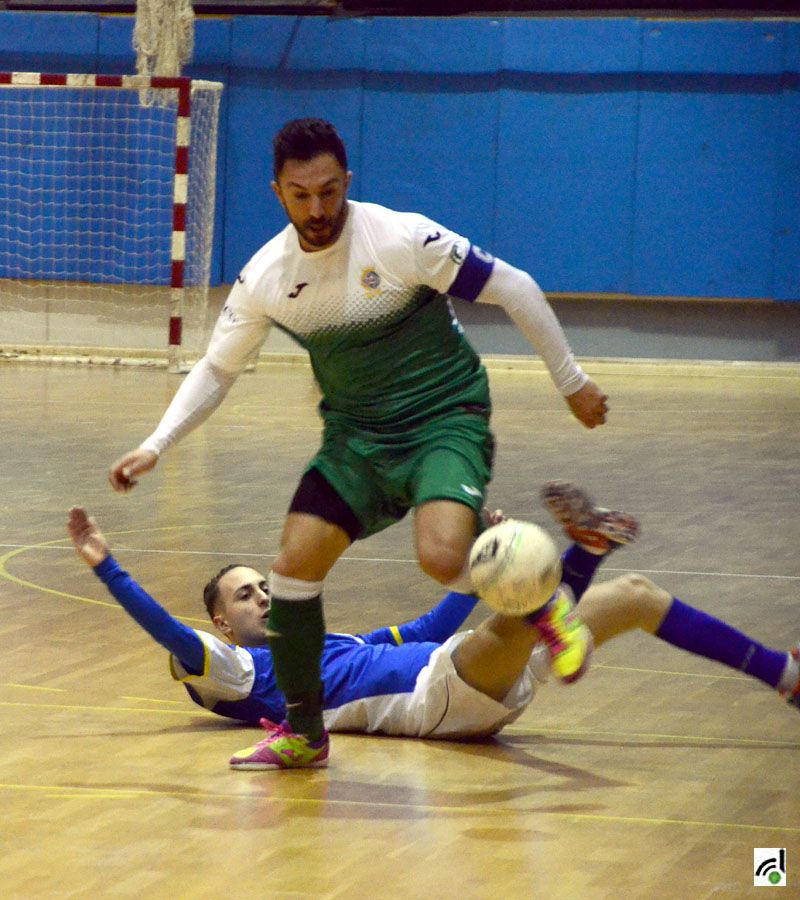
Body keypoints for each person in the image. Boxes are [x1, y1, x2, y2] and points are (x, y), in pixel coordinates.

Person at [109, 117, 607, 767]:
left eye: (328, 191)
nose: (317, 209)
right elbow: (217, 368)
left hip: (441, 418)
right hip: (355, 438)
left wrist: (571, 381)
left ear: (347, 181)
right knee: (292, 570)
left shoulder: (402, 238)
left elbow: (512, 286)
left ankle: (546, 603)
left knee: (440, 555)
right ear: (277, 193)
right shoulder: (267, 275)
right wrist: (157, 443)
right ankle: (304, 733)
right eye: (300, 195)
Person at [68, 482, 800, 770]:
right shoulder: (244, 674)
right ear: (221, 621)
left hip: (462, 670)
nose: (262, 595)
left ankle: (786, 675)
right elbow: (169, 634)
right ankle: (570, 565)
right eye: (245, 595)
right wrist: (107, 565)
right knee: (515, 602)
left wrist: (474, 563)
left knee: (638, 596)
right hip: (438, 701)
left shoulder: (331, 644)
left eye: (264, 585)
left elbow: (425, 627)